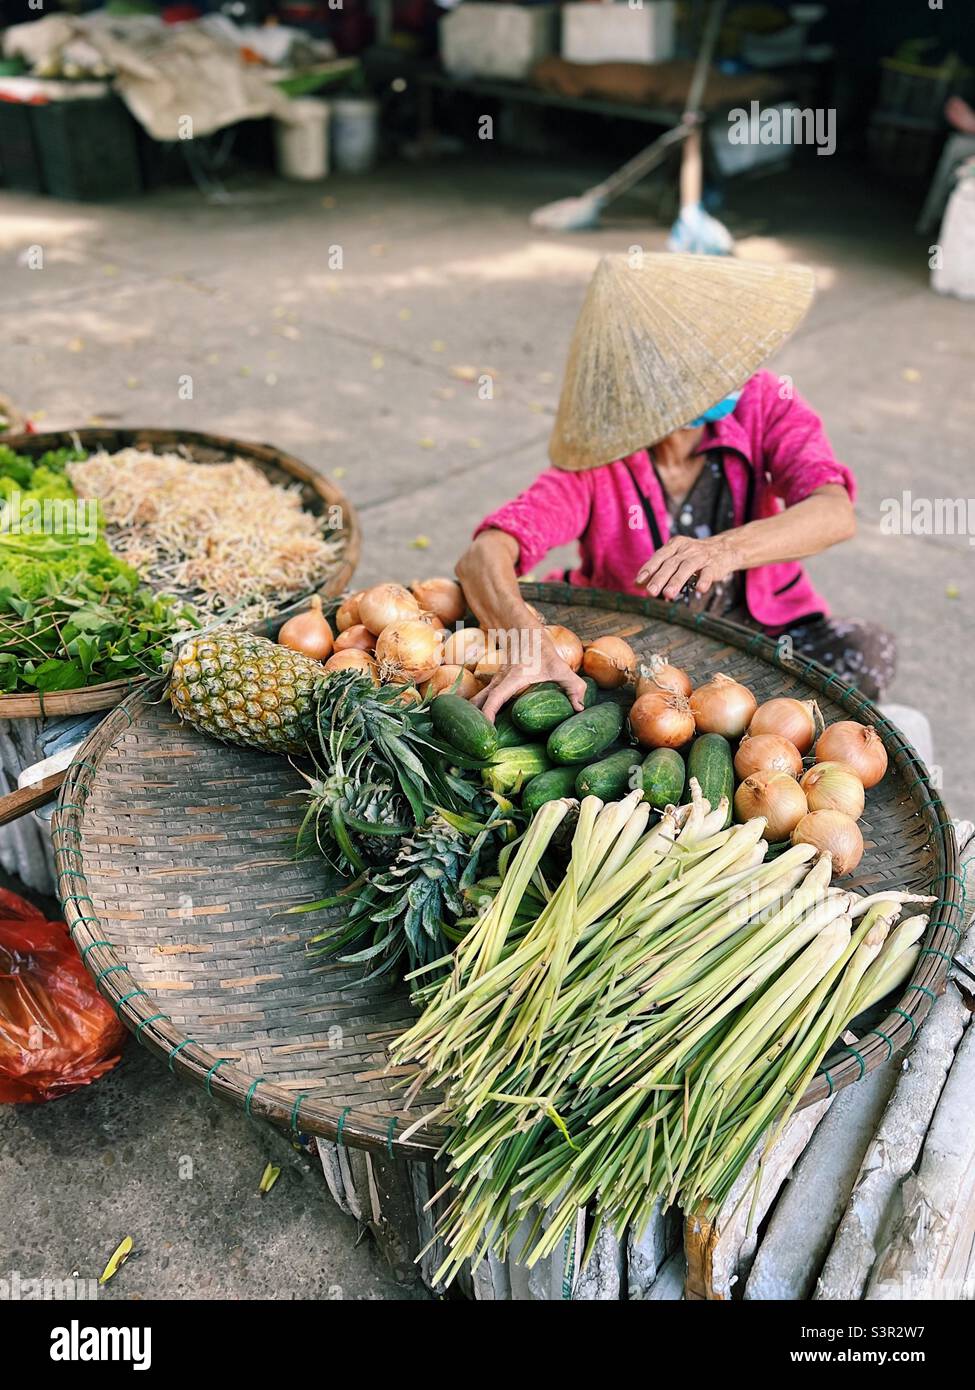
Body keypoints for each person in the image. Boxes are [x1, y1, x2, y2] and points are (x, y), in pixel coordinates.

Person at [456, 254, 895, 721]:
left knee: (869, 651)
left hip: (761, 629)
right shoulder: (598, 460)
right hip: (643, 649)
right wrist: (523, 640)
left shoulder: (764, 403)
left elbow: (834, 511)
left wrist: (726, 549)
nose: (734, 375)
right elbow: (483, 555)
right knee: (598, 708)